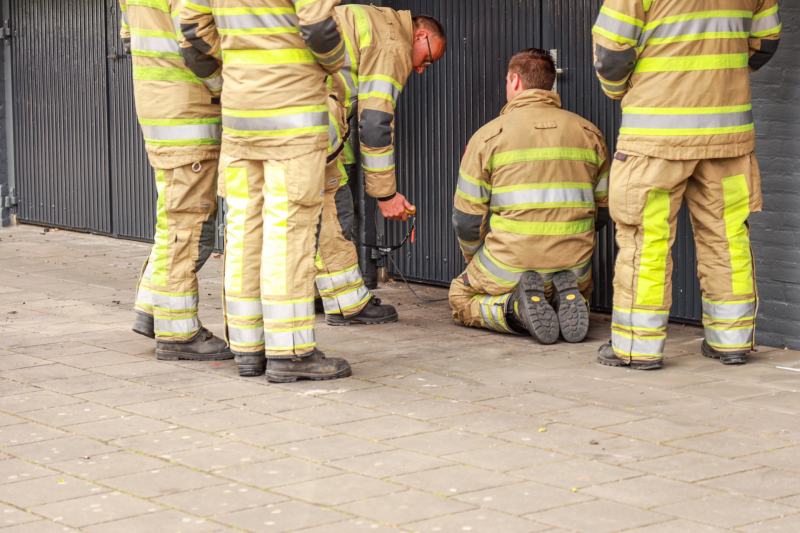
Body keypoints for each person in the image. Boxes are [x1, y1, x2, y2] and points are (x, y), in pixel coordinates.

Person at [592, 0, 781, 369]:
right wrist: (719, 81)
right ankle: (732, 341)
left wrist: (622, 90)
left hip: (656, 139)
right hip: (727, 136)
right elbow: (765, 43)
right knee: (727, 235)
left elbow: (612, 52)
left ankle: (637, 347)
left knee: (646, 238)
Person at [180, 0, 352, 382]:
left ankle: (248, 348)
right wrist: (334, 65)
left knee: (244, 230)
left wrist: (232, 79)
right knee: (288, 229)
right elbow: (319, 27)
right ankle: (289, 352)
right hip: (291, 117)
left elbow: (190, 29)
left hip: (241, 118)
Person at [449, 48, 610, 344]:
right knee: (579, 285)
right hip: (572, 265)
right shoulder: (590, 133)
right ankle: (567, 301)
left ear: (514, 80)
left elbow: (467, 220)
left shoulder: (488, 136)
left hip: (508, 267)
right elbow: (602, 211)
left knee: (459, 295)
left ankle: (513, 310)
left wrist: (474, 259)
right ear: (549, 83)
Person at [314, 5, 446, 325]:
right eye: (427, 59)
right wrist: (386, 195)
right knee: (335, 208)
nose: (420, 70)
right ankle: (348, 304)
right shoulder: (392, 40)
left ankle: (316, 291)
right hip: (310, 122)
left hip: (284, 118)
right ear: (420, 35)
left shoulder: (367, 19)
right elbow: (374, 123)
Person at [121, 0, 232, 362]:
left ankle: (152, 309)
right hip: (190, 111)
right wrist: (227, 88)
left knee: (174, 218)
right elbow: (194, 35)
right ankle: (178, 332)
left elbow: (127, 38)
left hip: (162, 109)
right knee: (188, 226)